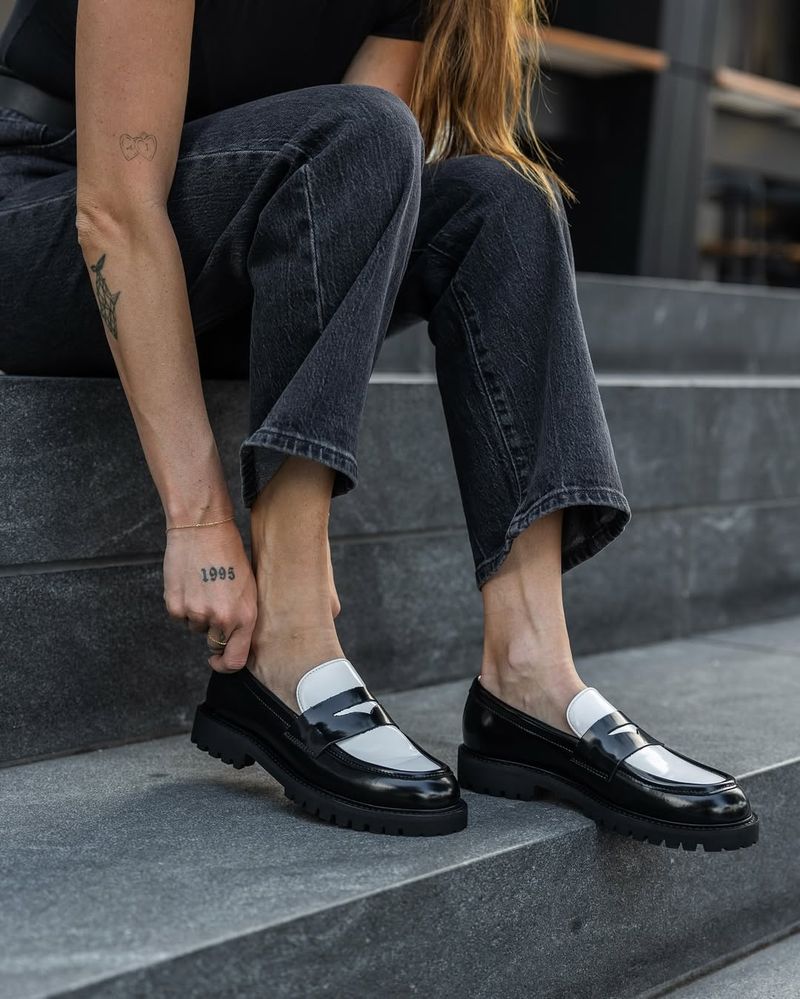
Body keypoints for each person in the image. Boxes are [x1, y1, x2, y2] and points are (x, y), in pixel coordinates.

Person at [0, 0, 758, 847]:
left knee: (502, 203)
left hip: (221, 238)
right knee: (361, 128)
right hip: (49, 208)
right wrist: (201, 516)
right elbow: (115, 210)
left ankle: (530, 673)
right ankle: (290, 637)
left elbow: (365, 201)